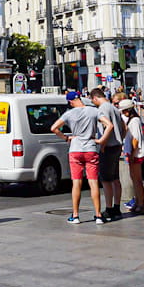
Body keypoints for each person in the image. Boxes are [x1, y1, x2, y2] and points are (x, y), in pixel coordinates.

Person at [51, 90, 110, 224]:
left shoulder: (69, 114)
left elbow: (54, 128)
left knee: (76, 183)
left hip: (75, 149)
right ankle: (98, 215)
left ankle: (76, 215)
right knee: (93, 182)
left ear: (70, 102)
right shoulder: (93, 111)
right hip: (90, 148)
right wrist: (101, 140)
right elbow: (109, 125)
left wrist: (66, 138)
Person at [93, 88, 125, 220]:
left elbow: (108, 126)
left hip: (108, 146)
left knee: (106, 180)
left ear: (95, 98)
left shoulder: (102, 109)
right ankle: (117, 208)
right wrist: (120, 138)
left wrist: (102, 143)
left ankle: (109, 209)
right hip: (117, 145)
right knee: (115, 179)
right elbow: (124, 127)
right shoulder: (114, 108)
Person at [119, 98, 144, 214]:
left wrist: (131, 153)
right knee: (134, 179)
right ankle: (138, 201)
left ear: (128, 110)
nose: (122, 113)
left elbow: (135, 139)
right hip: (134, 153)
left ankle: (141, 203)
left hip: (136, 153)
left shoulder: (135, 121)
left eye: (123, 111)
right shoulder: (133, 120)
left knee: (137, 180)